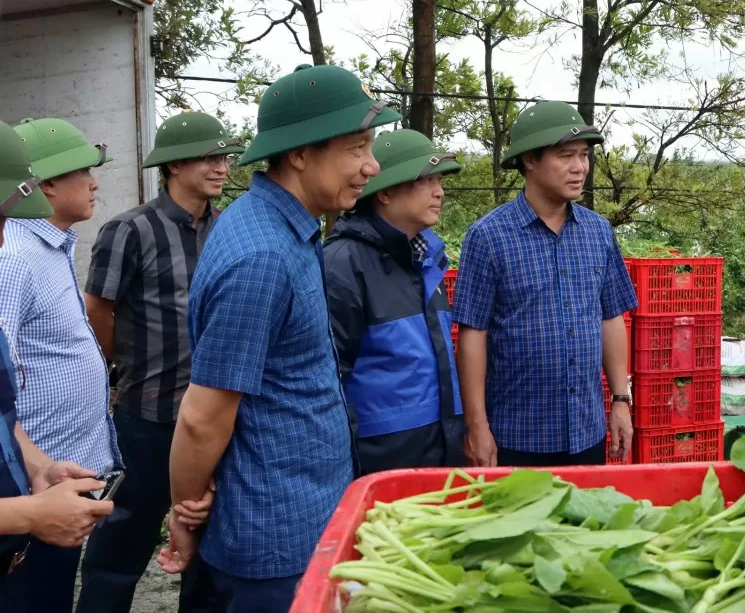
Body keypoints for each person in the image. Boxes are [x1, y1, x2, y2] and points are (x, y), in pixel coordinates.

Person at [159, 64, 397, 611]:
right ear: (300, 152)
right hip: (276, 535)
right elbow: (203, 416)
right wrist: (184, 510)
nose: (372, 165)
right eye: (356, 147)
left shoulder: (285, 227)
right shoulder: (263, 255)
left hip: (302, 512)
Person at [77, 111, 241, 613]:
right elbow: (97, 310)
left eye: (224, 156)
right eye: (209, 157)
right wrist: (128, 366)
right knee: (125, 532)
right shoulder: (129, 230)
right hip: (148, 411)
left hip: (215, 414)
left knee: (209, 533)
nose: (221, 166)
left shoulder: (230, 228)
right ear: (173, 165)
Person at [453, 100, 638, 468]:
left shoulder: (598, 232)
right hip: (516, 434)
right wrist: (477, 426)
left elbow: (611, 317)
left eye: (584, 156)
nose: (579, 167)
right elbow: (473, 334)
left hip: (584, 431)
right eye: (565, 156)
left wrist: (620, 400)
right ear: (530, 161)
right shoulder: (489, 237)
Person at [0, 117, 122, 611]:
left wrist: (39, 467)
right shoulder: (17, 261)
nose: (95, 183)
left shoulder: (41, 250)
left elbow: (1, 405)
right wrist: (28, 513)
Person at [323, 129, 465, 473]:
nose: (439, 191)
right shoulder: (342, 264)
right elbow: (327, 382)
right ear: (384, 192)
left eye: (440, 180)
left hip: (439, 446)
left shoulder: (427, 258)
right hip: (381, 457)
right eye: (426, 180)